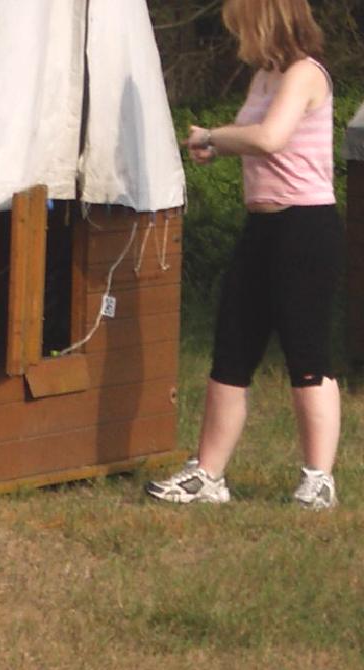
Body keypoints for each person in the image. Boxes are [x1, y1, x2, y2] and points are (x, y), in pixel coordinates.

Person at [146, 0, 343, 510]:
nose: (238, 39)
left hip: (306, 229)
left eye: (242, 27)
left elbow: (270, 138)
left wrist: (214, 136)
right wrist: (221, 145)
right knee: (232, 349)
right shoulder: (264, 77)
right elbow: (255, 139)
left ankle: (318, 479)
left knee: (306, 354)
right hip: (263, 227)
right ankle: (208, 475)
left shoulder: (304, 74)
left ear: (265, 21)